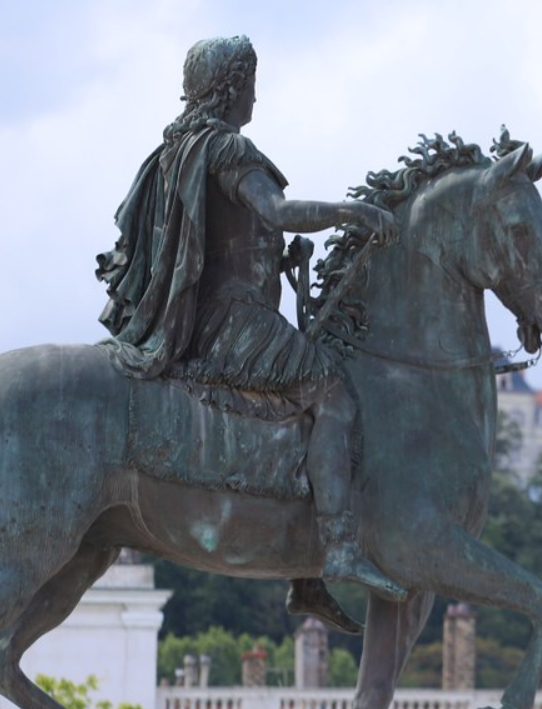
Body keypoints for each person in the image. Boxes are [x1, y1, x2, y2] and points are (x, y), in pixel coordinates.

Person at [96, 36, 404, 632]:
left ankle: (304, 571)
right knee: (331, 389)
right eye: (252, 83)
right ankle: (336, 549)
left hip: (202, 314)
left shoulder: (172, 151)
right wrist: (353, 213)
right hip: (230, 321)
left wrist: (276, 265)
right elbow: (279, 212)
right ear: (233, 86)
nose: (256, 96)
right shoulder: (225, 147)